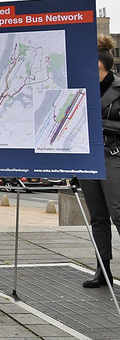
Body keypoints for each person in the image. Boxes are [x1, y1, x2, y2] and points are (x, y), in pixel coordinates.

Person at [81, 35, 120, 288]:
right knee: (97, 217)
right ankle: (102, 270)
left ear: (97, 64)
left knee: (118, 214)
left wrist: (98, 124)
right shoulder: (81, 88)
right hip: (88, 158)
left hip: (114, 158)